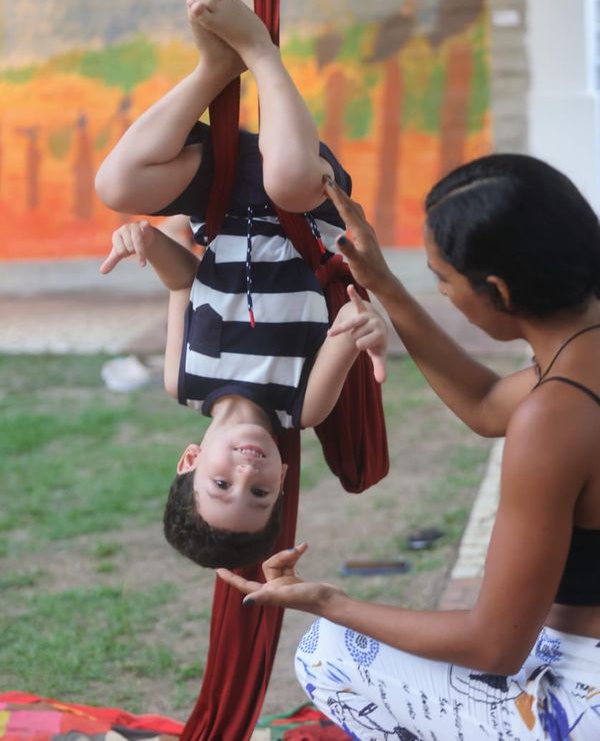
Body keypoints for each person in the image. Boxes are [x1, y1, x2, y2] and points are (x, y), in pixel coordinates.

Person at [217, 155, 600, 739]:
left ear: (496, 290)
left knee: (329, 653)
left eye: (442, 278)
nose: (441, 292)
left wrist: (327, 602)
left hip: (584, 689)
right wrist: (383, 285)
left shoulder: (555, 419)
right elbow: (488, 404)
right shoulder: (579, 358)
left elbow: (494, 645)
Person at [95, 0, 388, 570]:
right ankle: (259, 51)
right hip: (303, 203)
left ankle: (215, 69)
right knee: (287, 177)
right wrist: (366, 326)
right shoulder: (302, 407)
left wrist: (150, 245)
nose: (246, 473)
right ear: (283, 478)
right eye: (259, 493)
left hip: (221, 195)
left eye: (221, 484)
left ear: (190, 459)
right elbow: (346, 326)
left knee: (116, 186)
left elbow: (186, 285)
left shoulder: (185, 381)